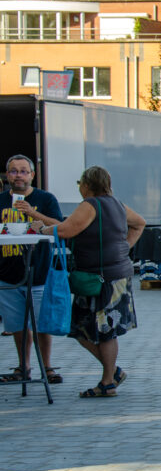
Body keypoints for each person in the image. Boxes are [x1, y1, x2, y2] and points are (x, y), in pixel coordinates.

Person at [36, 166, 145, 398]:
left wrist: (42, 229)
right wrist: (125, 246)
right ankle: (112, 373)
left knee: (101, 331)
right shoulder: (116, 203)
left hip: (100, 278)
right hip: (113, 275)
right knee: (87, 329)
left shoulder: (90, 205)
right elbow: (140, 223)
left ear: (86, 184)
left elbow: (65, 231)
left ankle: (108, 381)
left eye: (80, 184)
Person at [1, 154, 64, 384]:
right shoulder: (0, 200)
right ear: (7, 175)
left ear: (32, 175)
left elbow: (60, 226)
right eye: (14, 171)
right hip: (8, 275)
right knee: (17, 326)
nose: (18, 175)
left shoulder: (45, 199)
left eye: (23, 171)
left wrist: (33, 213)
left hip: (38, 273)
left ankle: (47, 367)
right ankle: (23, 367)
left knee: (41, 324)